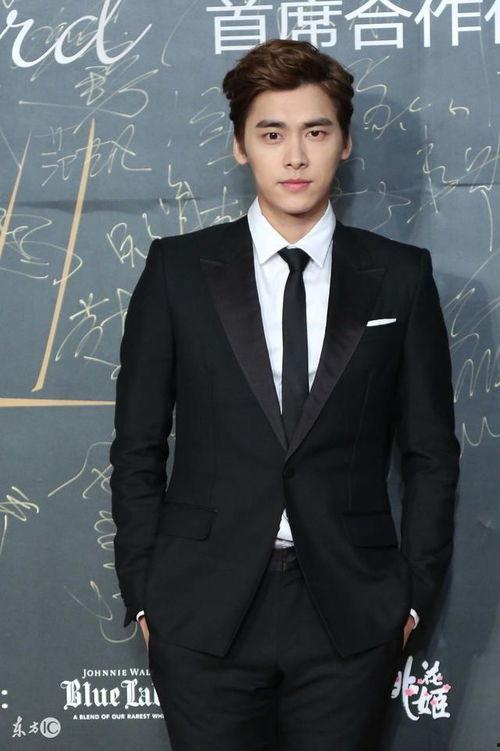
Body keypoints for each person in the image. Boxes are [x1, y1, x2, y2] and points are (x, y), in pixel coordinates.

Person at [109, 37, 460, 751]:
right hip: (201, 608)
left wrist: (410, 598)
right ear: (240, 146)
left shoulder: (400, 276)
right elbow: (138, 445)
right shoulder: (178, 270)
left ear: (345, 143)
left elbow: (430, 452)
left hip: (351, 611)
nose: (295, 156)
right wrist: (146, 594)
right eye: (272, 134)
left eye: (315, 132)